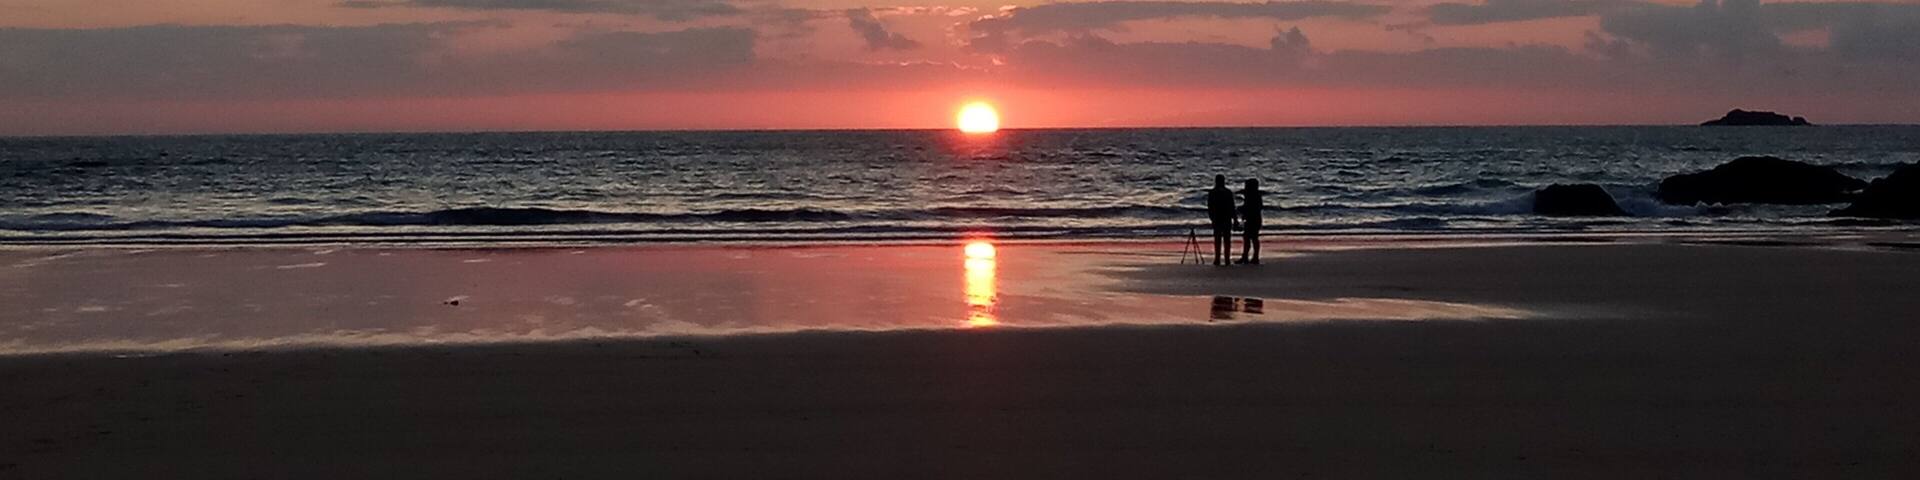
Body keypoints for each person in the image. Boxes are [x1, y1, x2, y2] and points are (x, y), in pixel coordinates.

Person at [1206, 175, 1236, 266]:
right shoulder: (1228, 192)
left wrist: (1211, 217)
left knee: (1218, 239)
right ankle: (1226, 259)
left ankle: (1218, 258)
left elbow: (1210, 206)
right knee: (1226, 239)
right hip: (1225, 218)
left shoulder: (1212, 192)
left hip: (1218, 218)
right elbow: (1232, 207)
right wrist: (1234, 219)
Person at [1237, 178, 1263, 264]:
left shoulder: (1252, 196)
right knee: (1249, 237)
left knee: (1251, 237)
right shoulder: (1255, 195)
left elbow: (1251, 208)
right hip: (1254, 219)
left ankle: (1252, 257)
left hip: (1253, 219)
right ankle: (1249, 257)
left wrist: (1242, 209)